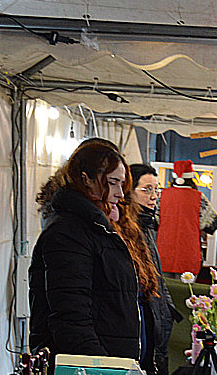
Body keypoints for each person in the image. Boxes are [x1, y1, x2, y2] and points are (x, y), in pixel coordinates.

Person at [29, 139, 157, 361]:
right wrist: (102, 369)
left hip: (110, 364)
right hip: (90, 370)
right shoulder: (68, 234)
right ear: (86, 179)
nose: (120, 193)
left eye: (122, 184)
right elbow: (71, 318)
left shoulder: (102, 230)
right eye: (113, 182)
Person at [129, 162, 182, 375]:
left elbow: (156, 276)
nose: (153, 197)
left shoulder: (149, 225)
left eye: (156, 190)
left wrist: (167, 310)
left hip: (157, 319)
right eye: (147, 190)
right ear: (129, 191)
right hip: (141, 322)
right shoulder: (128, 228)